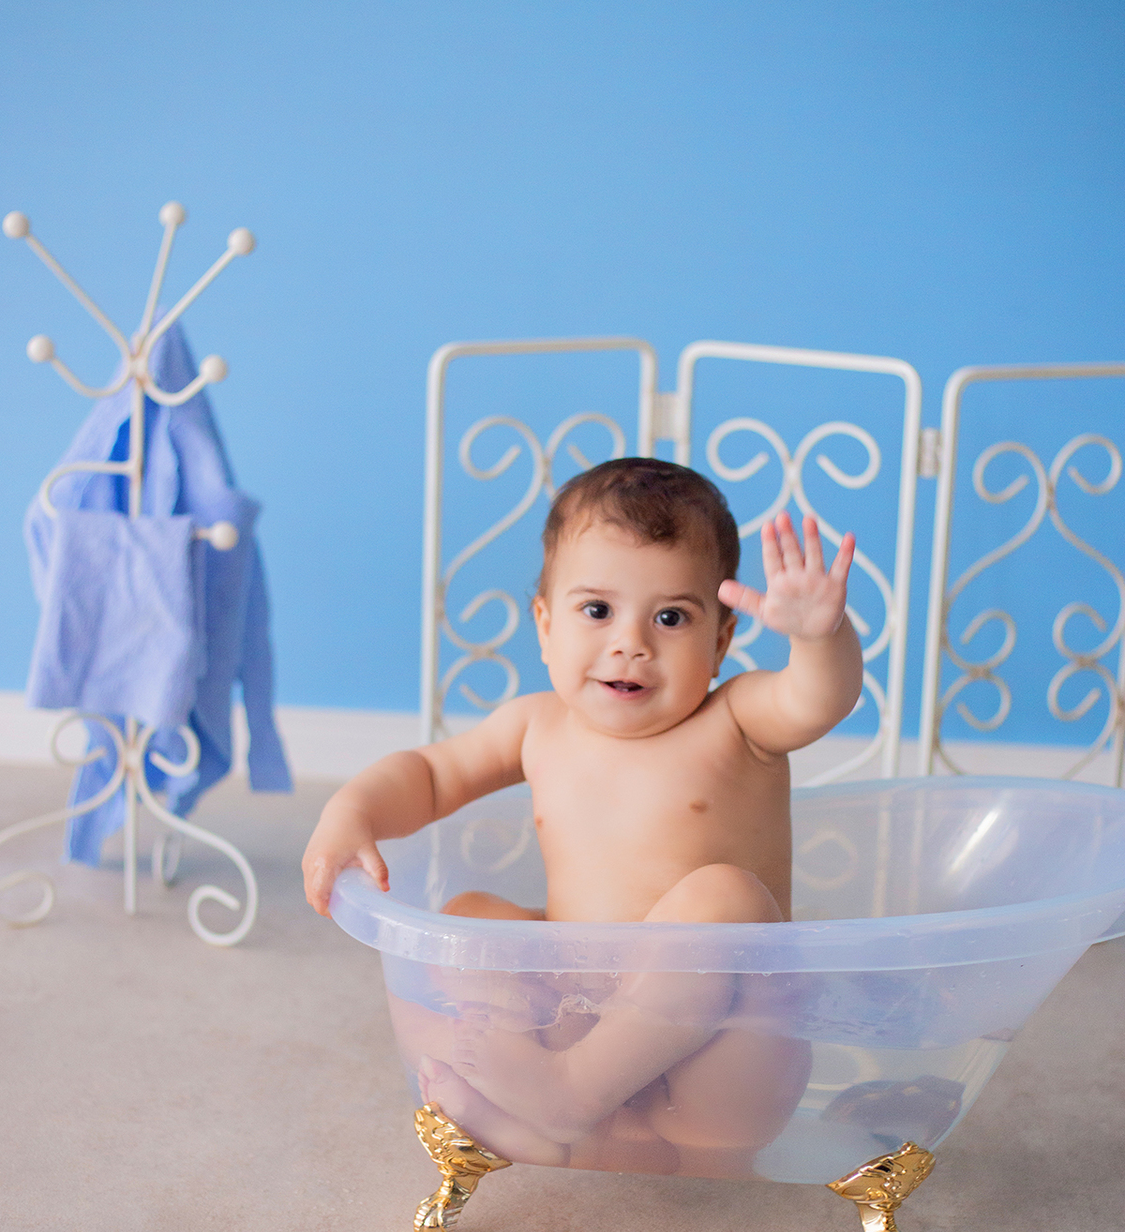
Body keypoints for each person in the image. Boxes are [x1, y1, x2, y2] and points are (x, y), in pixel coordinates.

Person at [303, 459, 861, 1176]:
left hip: (725, 1050)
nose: (631, 642)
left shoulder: (740, 719)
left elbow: (821, 700)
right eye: (598, 611)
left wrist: (820, 637)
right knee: (468, 921)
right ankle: (556, 1134)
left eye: (671, 617)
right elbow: (433, 774)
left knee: (723, 897)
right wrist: (351, 810)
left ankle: (569, 1101)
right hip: (575, 1021)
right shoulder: (537, 725)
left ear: (721, 642)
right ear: (544, 624)